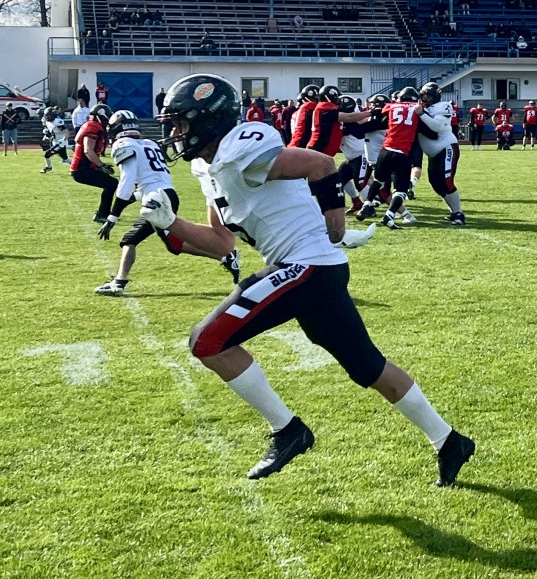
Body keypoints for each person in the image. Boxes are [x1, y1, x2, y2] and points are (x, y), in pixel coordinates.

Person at [159, 73, 475, 485]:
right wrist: (169, 222)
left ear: (209, 119)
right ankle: (449, 440)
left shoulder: (241, 145)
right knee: (367, 367)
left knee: (207, 341)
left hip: (306, 265)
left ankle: (288, 430)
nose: (176, 133)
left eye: (182, 122)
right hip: (311, 269)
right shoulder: (207, 167)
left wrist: (335, 223)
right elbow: (222, 242)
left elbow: (320, 164)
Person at [93, 110, 240, 297]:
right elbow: (152, 180)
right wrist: (134, 198)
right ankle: (225, 255)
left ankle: (119, 282)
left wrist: (113, 217)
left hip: (156, 201)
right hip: (166, 195)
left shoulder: (124, 145)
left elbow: (126, 182)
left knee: (130, 240)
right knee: (173, 245)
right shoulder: (149, 144)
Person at [356, 86, 421, 229]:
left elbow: (374, 121)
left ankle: (367, 204)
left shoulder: (390, 108)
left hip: (385, 152)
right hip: (401, 153)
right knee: (400, 190)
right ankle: (389, 215)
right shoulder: (416, 109)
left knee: (379, 182)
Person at [416, 82, 466, 225]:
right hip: (434, 153)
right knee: (436, 183)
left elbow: (436, 127)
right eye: (424, 95)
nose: (425, 98)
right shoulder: (422, 107)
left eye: (428, 95)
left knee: (446, 181)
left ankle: (458, 213)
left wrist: (421, 113)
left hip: (446, 147)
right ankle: (453, 211)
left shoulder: (443, 106)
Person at [71, 102, 118, 222]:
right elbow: (88, 150)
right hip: (82, 168)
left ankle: (104, 213)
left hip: (84, 167)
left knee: (111, 183)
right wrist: (101, 165)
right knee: (111, 183)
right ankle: (101, 214)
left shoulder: (91, 125)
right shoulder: (93, 127)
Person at [39, 107, 71, 172]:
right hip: (55, 142)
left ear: (53, 115)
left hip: (61, 142)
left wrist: (64, 139)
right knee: (64, 157)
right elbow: (51, 133)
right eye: (46, 115)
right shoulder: (47, 122)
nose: (47, 117)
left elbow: (67, 133)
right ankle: (76, 166)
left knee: (47, 154)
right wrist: (46, 134)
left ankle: (48, 167)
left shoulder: (57, 122)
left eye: (49, 115)